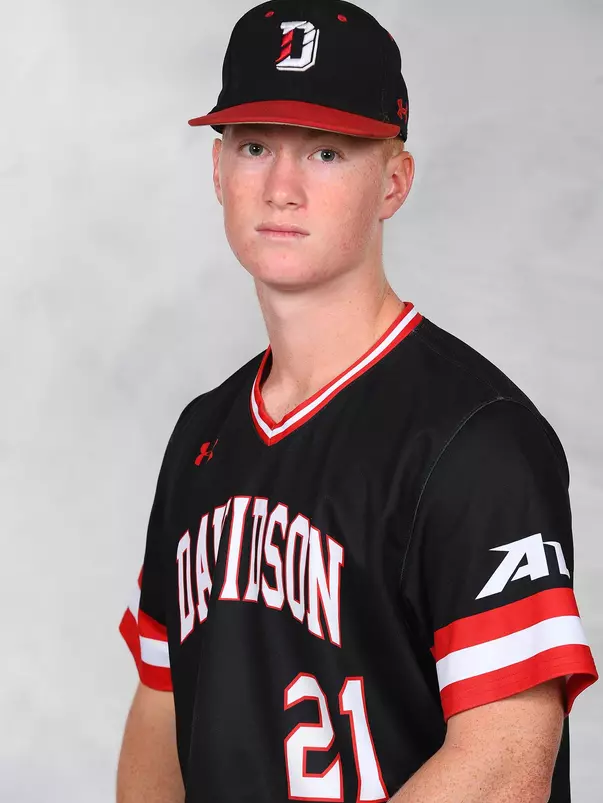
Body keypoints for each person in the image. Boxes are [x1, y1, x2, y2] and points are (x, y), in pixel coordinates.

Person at [116, 1, 598, 801]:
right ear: (217, 171)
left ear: (393, 182)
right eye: (255, 145)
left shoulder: (475, 439)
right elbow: (159, 710)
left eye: (328, 152)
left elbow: (507, 760)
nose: (280, 187)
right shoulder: (200, 434)